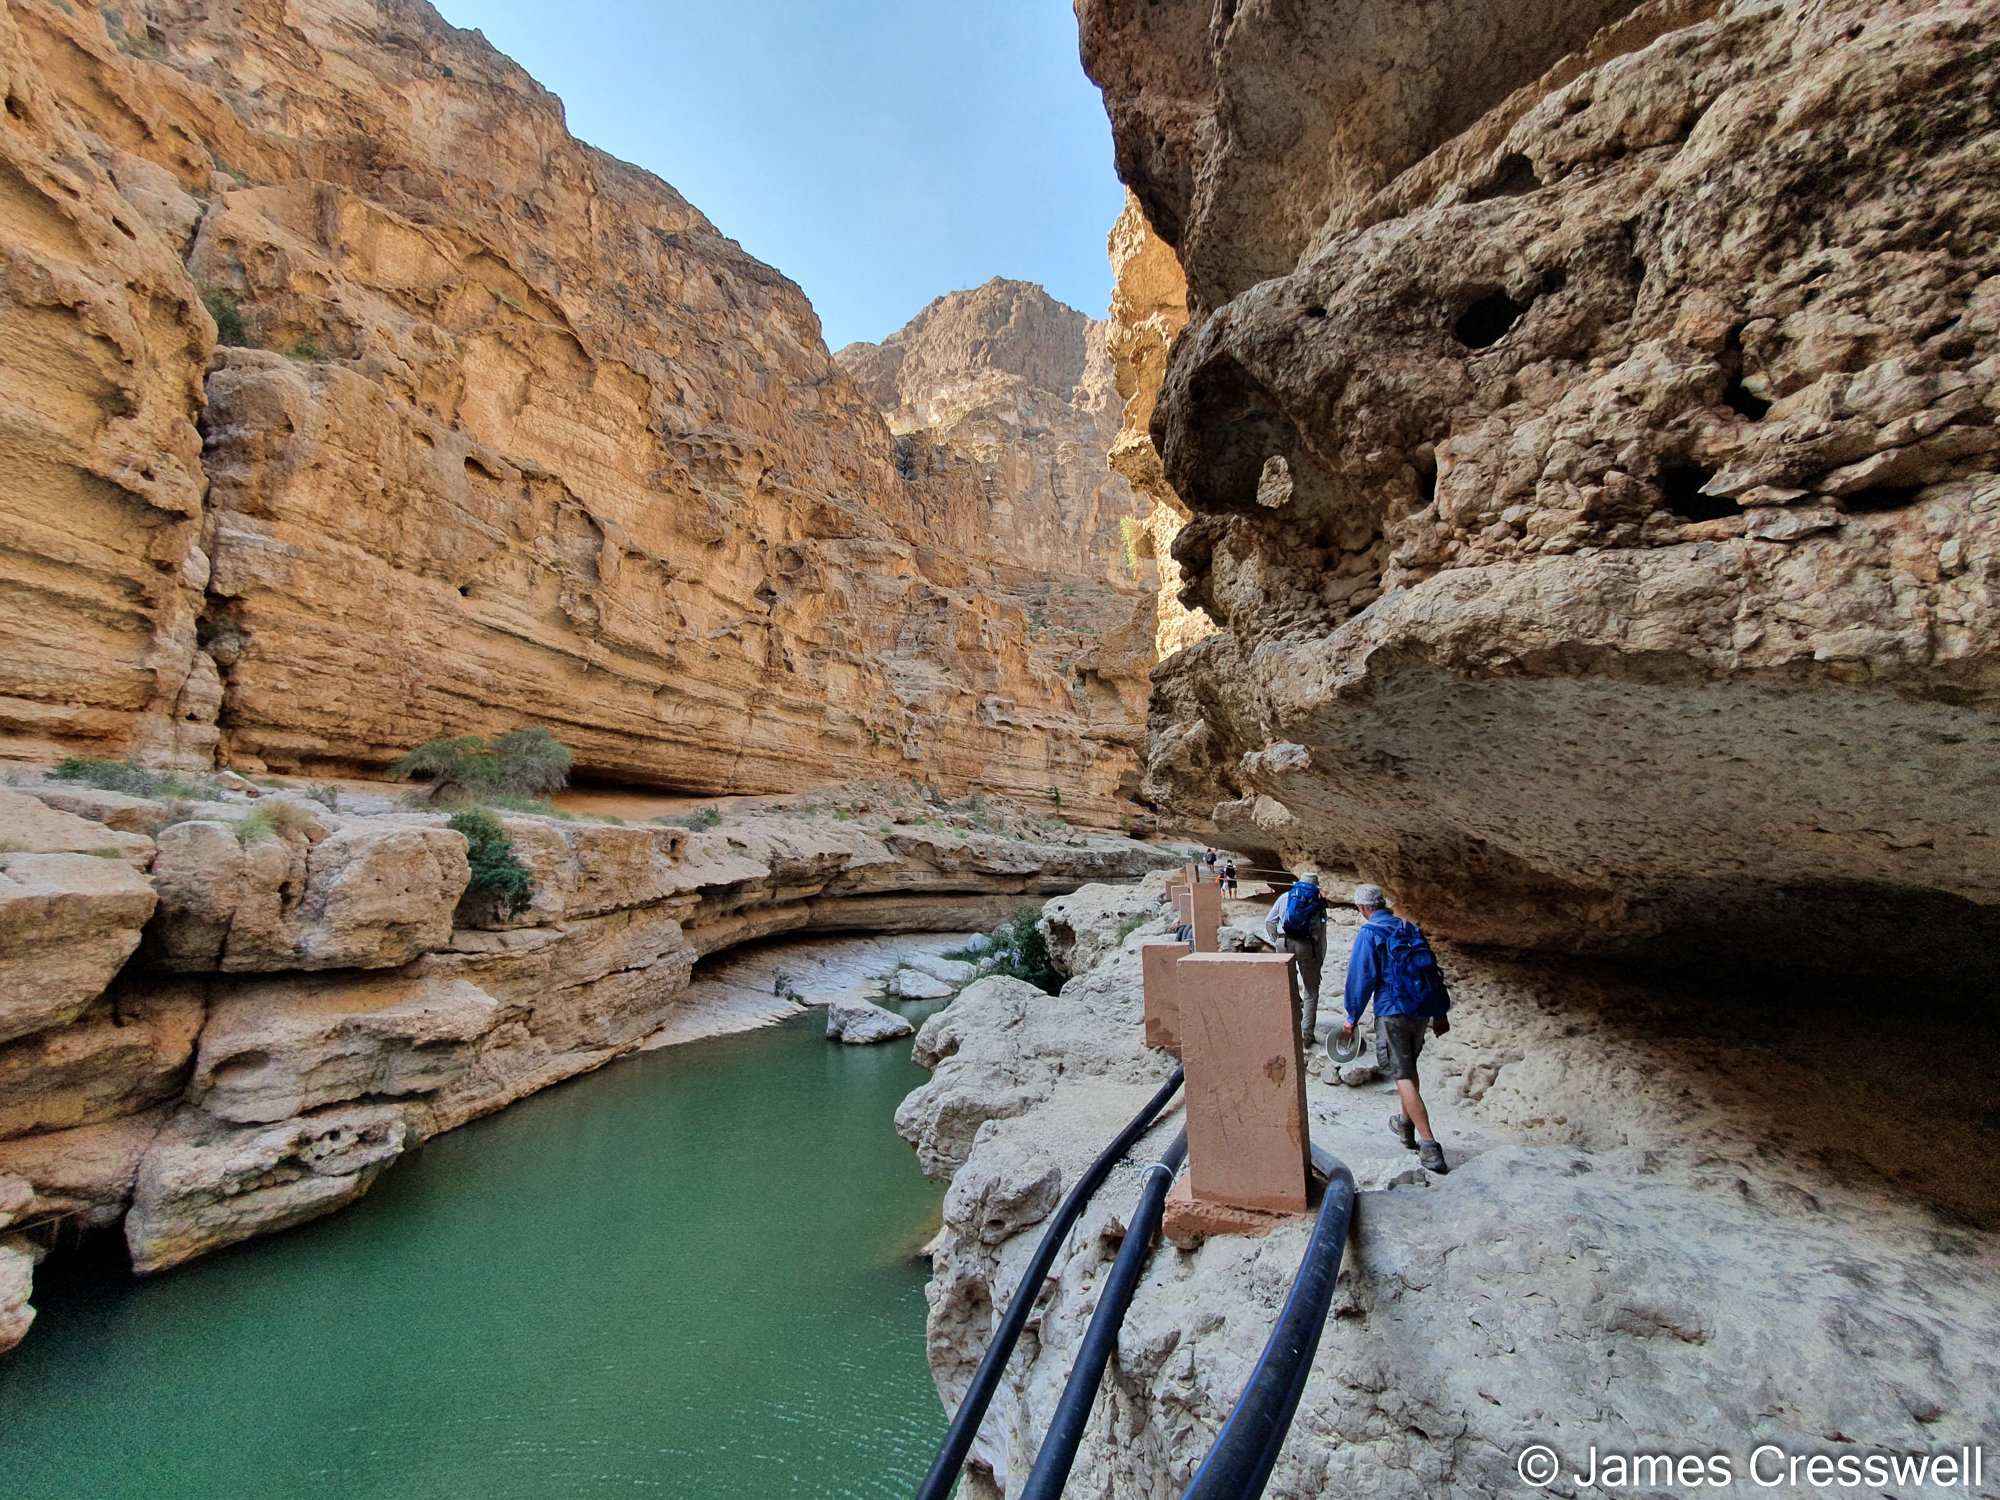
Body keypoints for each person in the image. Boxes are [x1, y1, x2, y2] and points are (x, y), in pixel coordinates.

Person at [1337, 884, 1452, 1173]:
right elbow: (1430, 972)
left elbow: (1361, 977)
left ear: (1363, 908)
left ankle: (1429, 1146)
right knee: (1409, 1069)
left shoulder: (1370, 933)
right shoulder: (1409, 927)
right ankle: (1404, 1126)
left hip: (1392, 1010)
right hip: (1421, 1010)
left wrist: (1351, 1018)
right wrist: (1439, 1013)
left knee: (1401, 1075)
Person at [1263, 872, 1327, 1044]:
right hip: (1307, 946)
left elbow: (1269, 921)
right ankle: (1307, 1033)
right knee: (1311, 991)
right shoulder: (1318, 903)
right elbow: (1322, 935)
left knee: (1287, 985)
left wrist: (1276, 939)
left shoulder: (1285, 897)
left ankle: (1288, 1024)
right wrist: (1319, 958)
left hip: (1284, 943)